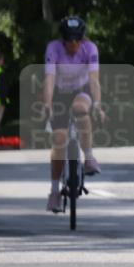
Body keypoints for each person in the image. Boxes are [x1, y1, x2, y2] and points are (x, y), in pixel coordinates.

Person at [43, 16, 106, 212]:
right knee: (59, 140)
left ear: (82, 38)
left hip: (82, 89)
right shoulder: (53, 49)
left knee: (80, 108)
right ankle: (54, 192)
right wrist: (47, 104)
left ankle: (88, 157)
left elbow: (94, 80)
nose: (73, 44)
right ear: (63, 39)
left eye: (77, 39)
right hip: (61, 94)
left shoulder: (90, 49)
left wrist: (97, 104)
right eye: (69, 40)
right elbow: (49, 79)